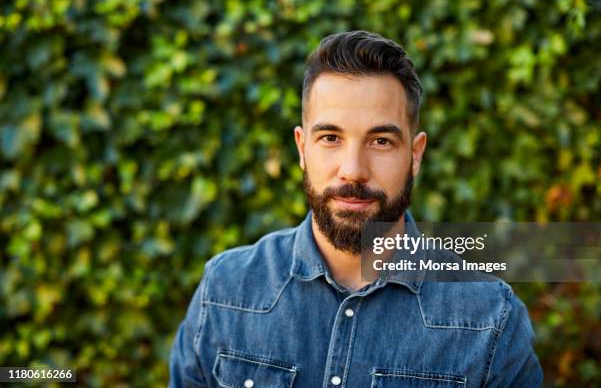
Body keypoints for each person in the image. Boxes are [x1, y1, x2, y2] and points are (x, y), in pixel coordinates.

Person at [169, 30, 543, 387]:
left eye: (380, 141)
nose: (353, 170)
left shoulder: (490, 318)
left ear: (415, 155)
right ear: (302, 149)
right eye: (330, 138)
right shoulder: (225, 290)